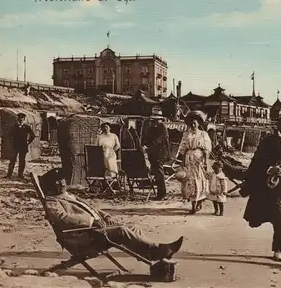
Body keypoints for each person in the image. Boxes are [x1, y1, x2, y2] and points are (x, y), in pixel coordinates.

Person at [40, 168, 183, 261]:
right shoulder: (52, 201)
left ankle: (150, 255)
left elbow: (91, 207)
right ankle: (159, 248)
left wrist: (104, 216)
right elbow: (61, 218)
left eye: (63, 180)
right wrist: (91, 221)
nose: (62, 183)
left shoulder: (67, 195)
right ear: (51, 187)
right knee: (122, 231)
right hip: (86, 235)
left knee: (133, 227)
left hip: (97, 228)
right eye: (58, 182)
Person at [239, 113, 281, 266]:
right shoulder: (268, 140)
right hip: (272, 187)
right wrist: (270, 168)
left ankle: (277, 249)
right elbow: (257, 160)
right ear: (277, 123)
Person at [177, 111, 212, 214]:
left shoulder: (203, 134)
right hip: (189, 160)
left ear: (198, 123)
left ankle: (199, 202)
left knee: (200, 180)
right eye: (191, 123)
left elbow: (206, 149)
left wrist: (206, 162)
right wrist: (183, 162)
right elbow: (183, 149)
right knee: (190, 181)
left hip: (199, 160)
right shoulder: (186, 134)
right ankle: (193, 204)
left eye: (195, 123)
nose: (193, 125)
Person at [144, 119, 171, 200]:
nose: (153, 122)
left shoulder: (162, 127)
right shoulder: (150, 128)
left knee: (159, 173)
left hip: (159, 153)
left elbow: (158, 140)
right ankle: (160, 193)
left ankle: (162, 194)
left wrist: (149, 146)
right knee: (157, 173)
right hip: (153, 154)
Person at [5, 113, 36, 179]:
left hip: (23, 146)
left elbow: (33, 136)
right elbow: (9, 135)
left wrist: (28, 142)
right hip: (15, 146)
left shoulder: (27, 127)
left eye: (22, 119)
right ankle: (9, 175)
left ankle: (20, 175)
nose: (21, 120)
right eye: (19, 119)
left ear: (24, 119)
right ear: (18, 119)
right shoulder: (15, 126)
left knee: (22, 161)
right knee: (12, 160)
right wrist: (12, 141)